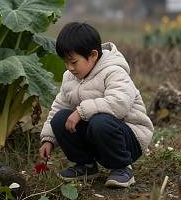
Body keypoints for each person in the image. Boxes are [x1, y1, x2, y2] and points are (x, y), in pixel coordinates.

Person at [39, 22, 154, 188]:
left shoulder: (114, 71)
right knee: (60, 118)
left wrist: (81, 111)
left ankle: (122, 168)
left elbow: (119, 103)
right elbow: (58, 106)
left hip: (129, 138)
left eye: (73, 62)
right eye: (65, 62)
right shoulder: (70, 77)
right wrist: (48, 139)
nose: (69, 68)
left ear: (93, 55)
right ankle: (85, 166)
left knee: (100, 121)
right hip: (98, 135)